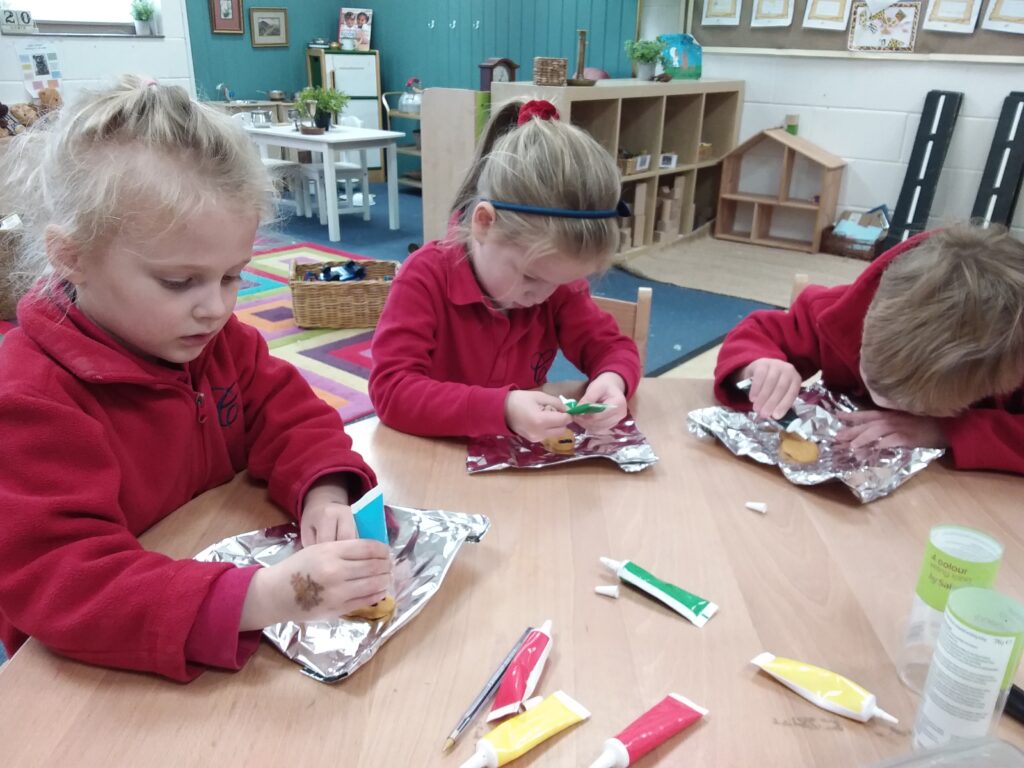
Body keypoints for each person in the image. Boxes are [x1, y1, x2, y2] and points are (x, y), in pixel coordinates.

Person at [0, 76, 392, 681]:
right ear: (71, 256)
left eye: (233, 275)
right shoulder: (29, 399)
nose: (216, 307)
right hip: (102, 672)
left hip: (206, 593)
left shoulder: (213, 342)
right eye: (180, 282)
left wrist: (323, 490)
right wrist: (258, 598)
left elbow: (288, 413)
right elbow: (67, 584)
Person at [369, 99, 642, 442]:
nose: (544, 295)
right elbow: (392, 392)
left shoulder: (556, 285)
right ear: (484, 224)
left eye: (562, 281)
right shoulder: (425, 278)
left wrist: (612, 380)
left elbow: (612, 348)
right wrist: (503, 408)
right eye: (531, 277)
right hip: (435, 460)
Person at [713, 225, 1024, 473]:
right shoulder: (837, 313)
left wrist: (946, 431)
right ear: (867, 322)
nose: (886, 403)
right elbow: (759, 332)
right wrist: (757, 364)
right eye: (871, 377)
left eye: (919, 406)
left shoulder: (1008, 357)